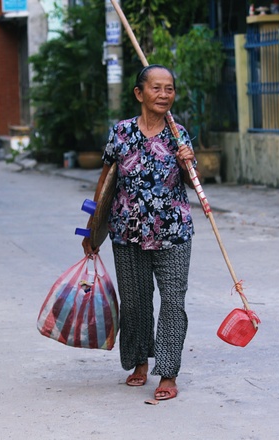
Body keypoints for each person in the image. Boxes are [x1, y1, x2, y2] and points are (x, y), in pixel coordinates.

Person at [82, 65, 198, 402]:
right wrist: (90, 228)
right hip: (126, 231)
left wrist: (188, 162)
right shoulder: (121, 133)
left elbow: (195, 183)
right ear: (139, 93)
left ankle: (168, 372)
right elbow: (104, 183)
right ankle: (138, 363)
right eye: (157, 88)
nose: (164, 95)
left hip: (173, 232)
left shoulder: (179, 134)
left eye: (170, 89)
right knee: (135, 304)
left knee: (174, 303)